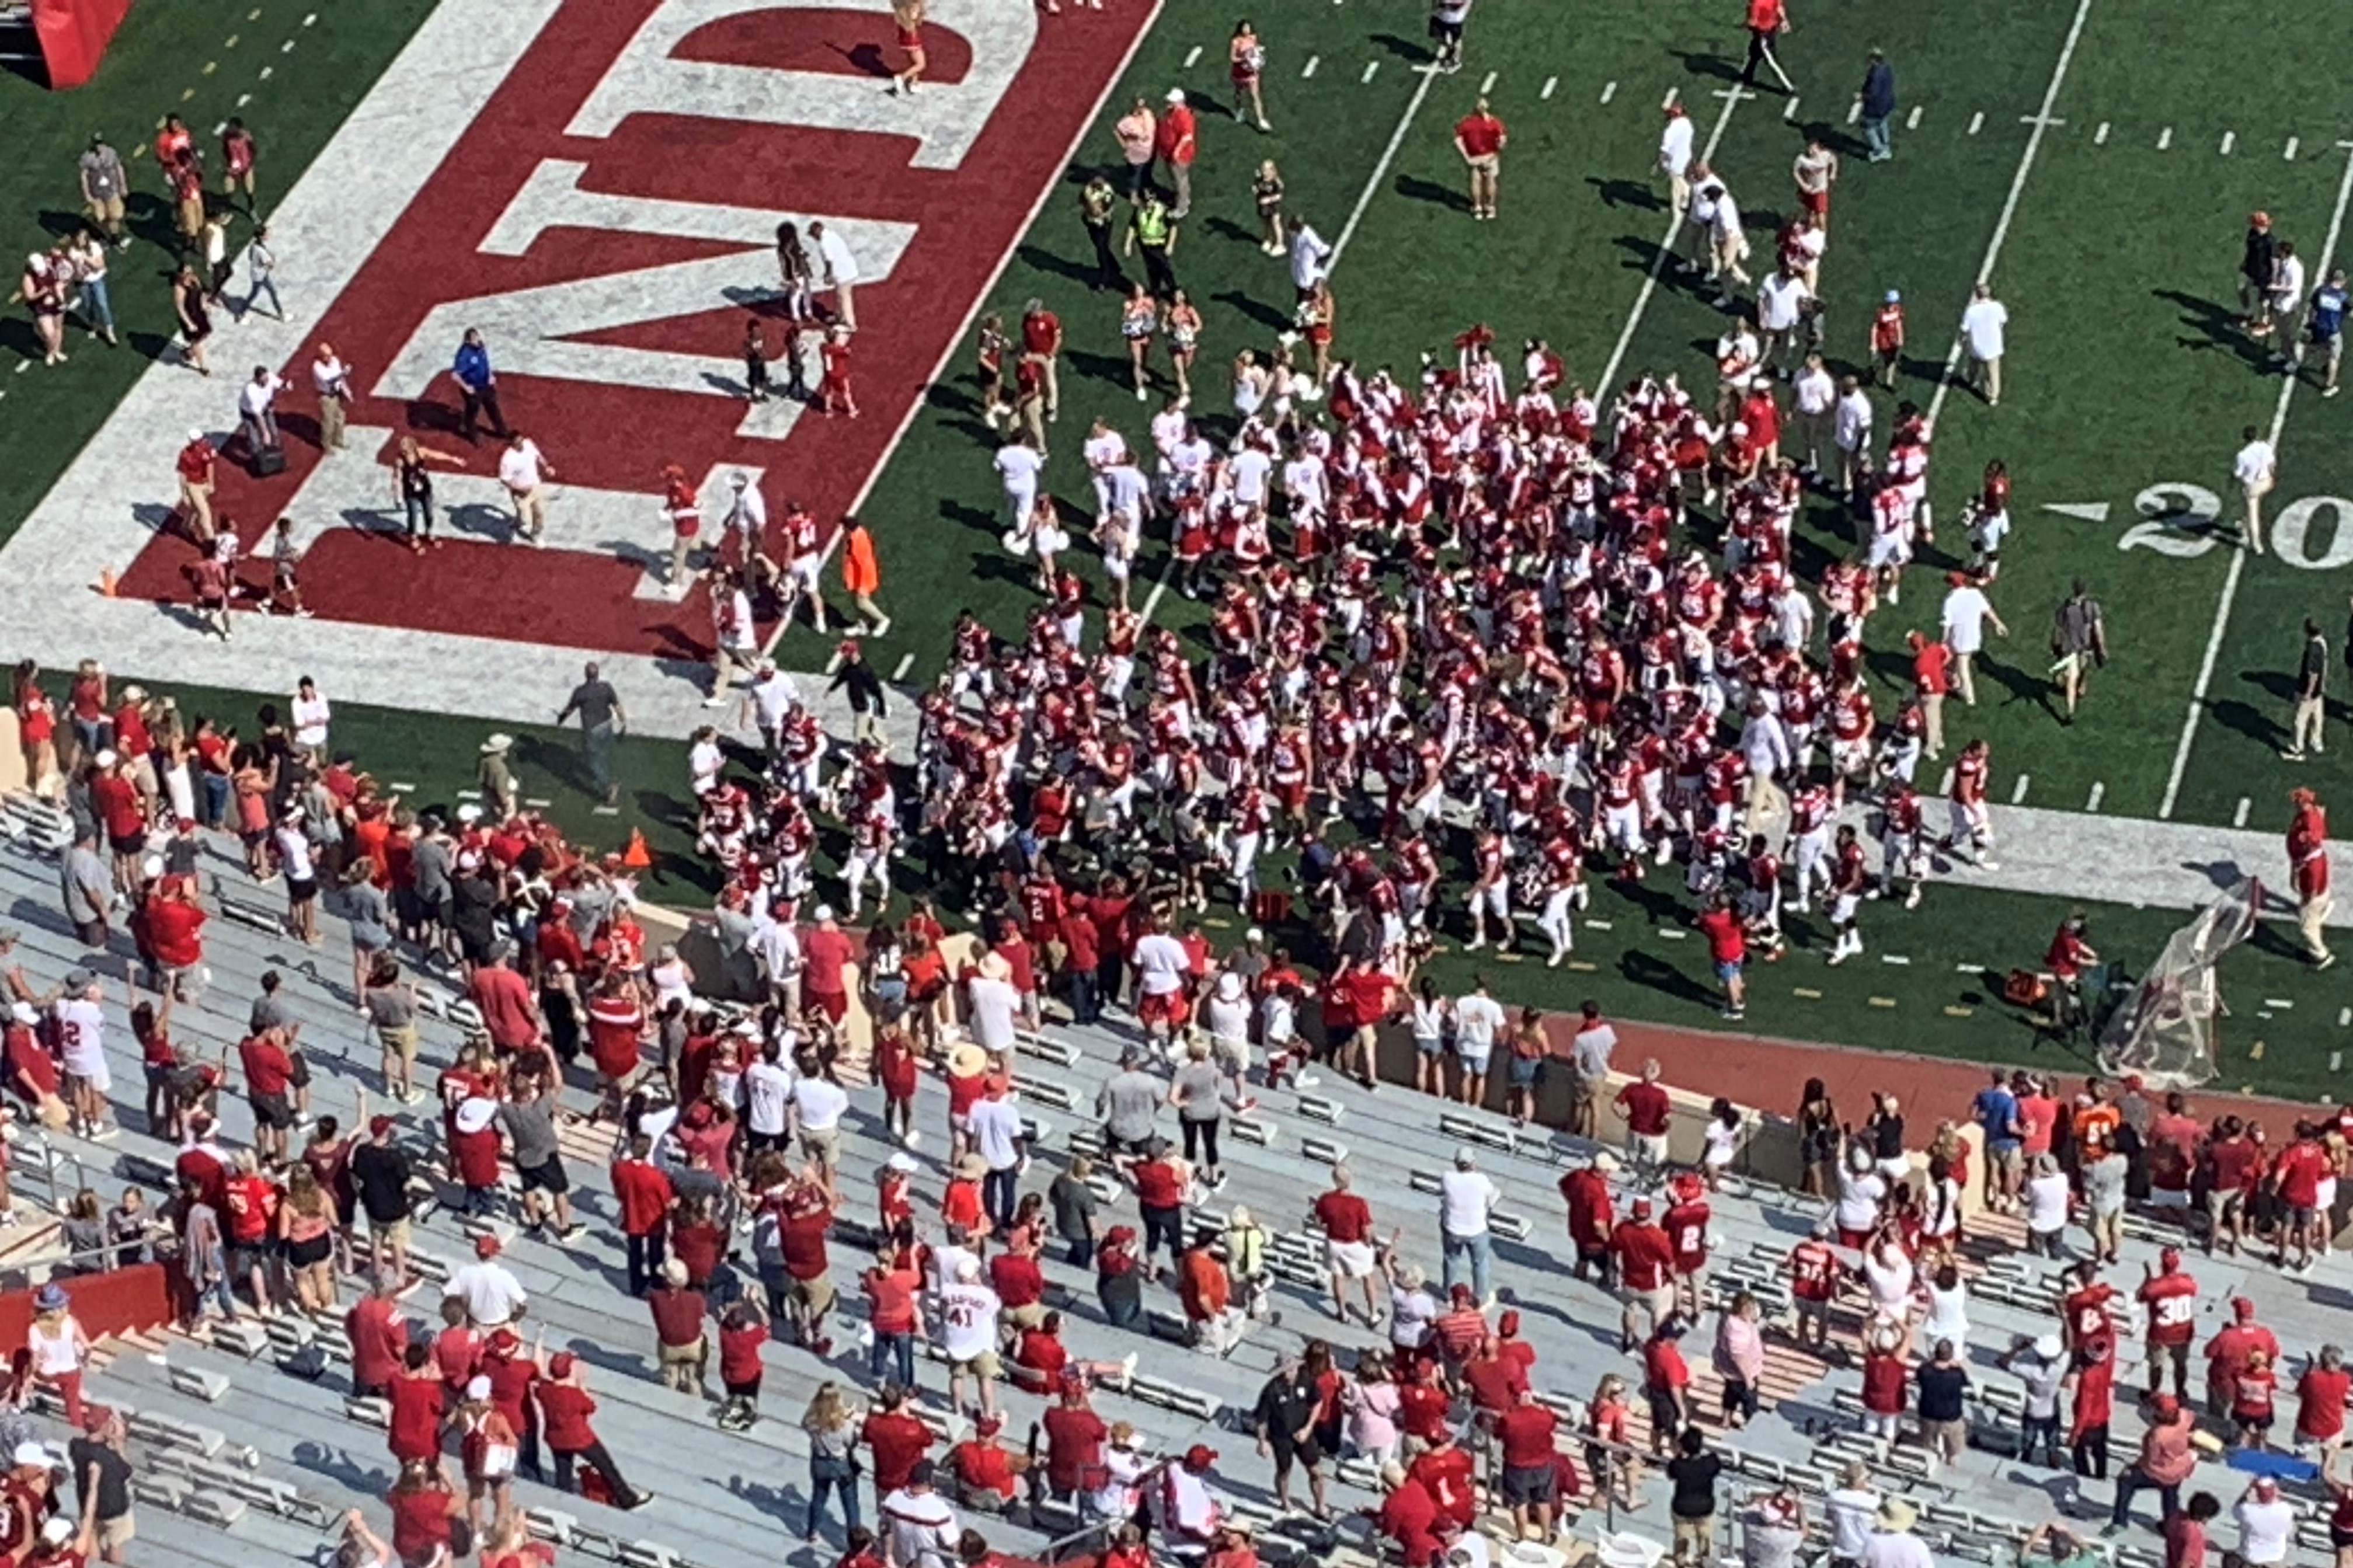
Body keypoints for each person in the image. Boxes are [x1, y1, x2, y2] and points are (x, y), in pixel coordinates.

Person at [2049, 580, 2108, 723]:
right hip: (2085, 648)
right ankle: (2072, 700)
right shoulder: (2092, 607)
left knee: (2074, 679)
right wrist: (2103, 648)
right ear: (2085, 591)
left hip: (2069, 648)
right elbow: (2098, 630)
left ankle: (2071, 709)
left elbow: (2058, 630)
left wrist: (2054, 644)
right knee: (2077, 677)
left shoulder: (2064, 608)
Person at [1664, 1426, 1722, 1566]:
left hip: (1682, 1509)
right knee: (1705, 1540)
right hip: (1705, 1509)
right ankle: (1704, 1562)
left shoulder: (1678, 1465)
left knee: (1681, 1539)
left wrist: (1678, 1454)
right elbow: (1717, 1466)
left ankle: (1681, 1562)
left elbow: (1671, 1473)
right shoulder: (1710, 1462)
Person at [1453, 97, 1506, 222]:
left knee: (1476, 180)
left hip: (1475, 157)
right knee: (1491, 180)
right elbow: (1502, 141)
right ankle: (1490, 207)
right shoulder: (1494, 123)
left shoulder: (1467, 122)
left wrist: (1467, 157)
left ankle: (1477, 208)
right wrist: (1495, 154)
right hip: (1490, 157)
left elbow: (1458, 139)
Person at [1960, 283, 2009, 407]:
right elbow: (2003, 320)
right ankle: (1993, 396)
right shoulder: (1997, 307)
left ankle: (1971, 380)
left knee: (1973, 365)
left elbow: (1965, 328)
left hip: (1977, 346)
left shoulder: (1972, 311)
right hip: (1994, 346)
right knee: (1993, 373)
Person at [2235, 422, 2278, 556]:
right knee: (2249, 509)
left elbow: (2238, 473)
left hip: (2253, 486)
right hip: (2267, 482)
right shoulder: (2265, 447)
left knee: (2253, 513)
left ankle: (2256, 544)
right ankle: (2243, 524)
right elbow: (2272, 464)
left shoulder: (2243, 455)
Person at [2291, 618, 2330, 759]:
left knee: (2300, 721)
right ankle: (2316, 741)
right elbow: (2323, 667)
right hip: (2319, 690)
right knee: (2318, 717)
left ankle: (2298, 748)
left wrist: (2308, 692)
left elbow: (2313, 674)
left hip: (2308, 691)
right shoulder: (2322, 643)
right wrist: (2322, 685)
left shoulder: (2312, 649)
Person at [811, 220, 859, 330]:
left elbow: (829, 260)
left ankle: (850, 324)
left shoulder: (824, 243)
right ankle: (839, 317)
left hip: (843, 274)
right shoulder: (833, 235)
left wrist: (828, 275)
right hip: (849, 270)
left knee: (844, 298)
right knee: (840, 296)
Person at [1857, 48, 1896, 162]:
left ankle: (1879, 151)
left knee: (1868, 128)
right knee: (1883, 124)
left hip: (1875, 107)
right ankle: (1886, 147)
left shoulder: (1876, 74)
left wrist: (1862, 97)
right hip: (1888, 103)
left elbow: (1873, 93)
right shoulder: (1887, 68)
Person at [1229, 20, 1269, 131]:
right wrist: (1243, 59)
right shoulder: (1236, 41)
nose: (1247, 30)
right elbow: (1233, 58)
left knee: (1255, 95)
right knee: (1239, 93)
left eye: (1248, 28)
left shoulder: (1253, 38)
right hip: (1240, 72)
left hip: (1251, 73)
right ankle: (1239, 110)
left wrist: (1258, 51)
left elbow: (1254, 50)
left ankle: (1261, 119)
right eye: (1244, 28)